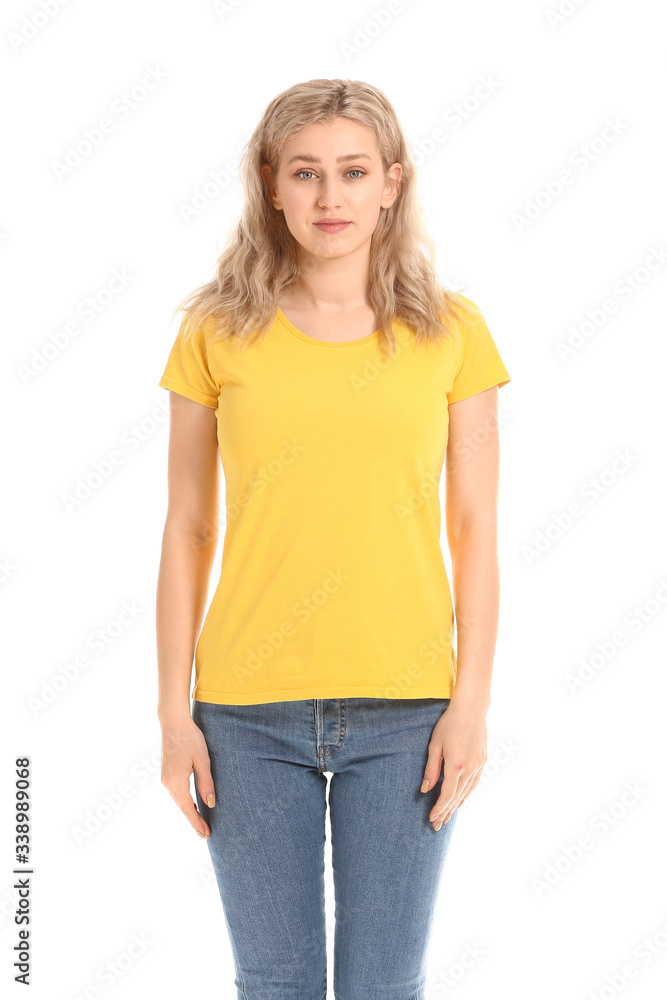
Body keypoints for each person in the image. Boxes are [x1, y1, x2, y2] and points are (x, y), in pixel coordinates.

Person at [156, 78, 511, 1000]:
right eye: (305, 173)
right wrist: (172, 712)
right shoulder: (215, 331)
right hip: (243, 714)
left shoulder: (452, 335)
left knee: (383, 985)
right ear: (269, 184)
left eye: (353, 172)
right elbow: (187, 526)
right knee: (273, 982)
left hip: (408, 716)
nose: (329, 197)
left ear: (392, 183)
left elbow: (475, 529)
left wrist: (469, 703)